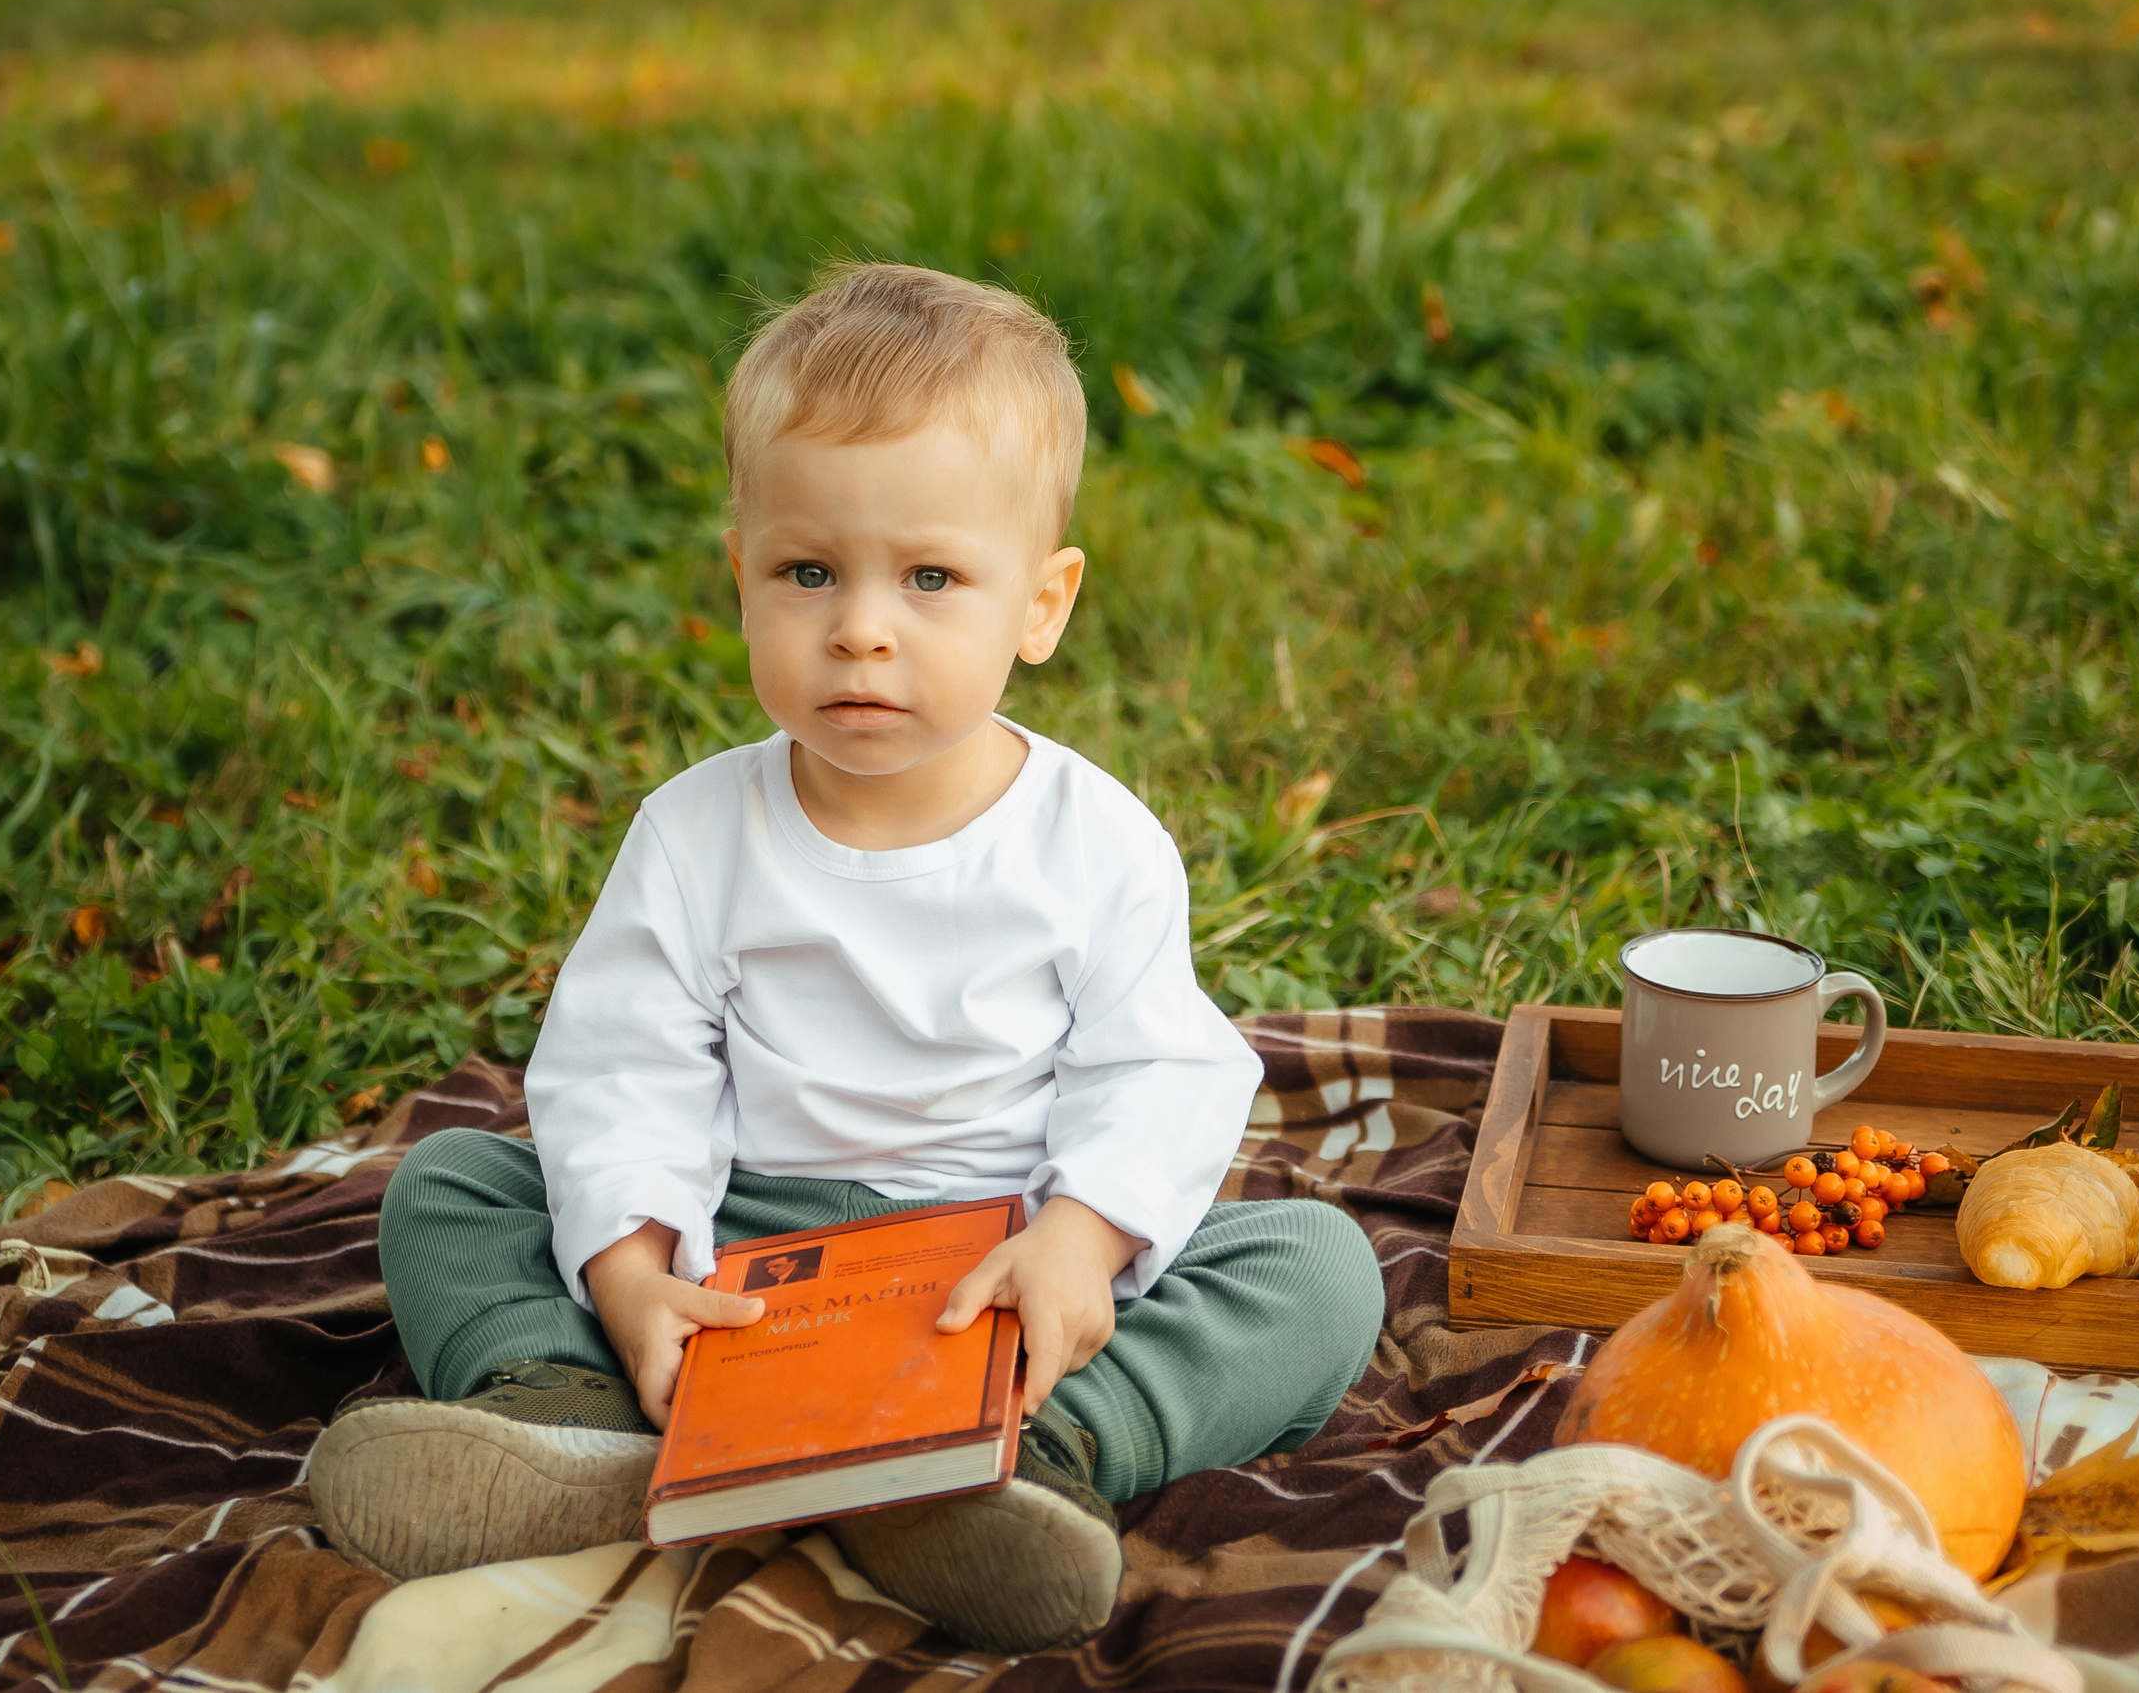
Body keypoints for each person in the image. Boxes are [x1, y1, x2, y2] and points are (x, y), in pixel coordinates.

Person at [307, 263, 1386, 1654]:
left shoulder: (1094, 841)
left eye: (931, 578)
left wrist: (1079, 1243)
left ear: (1042, 605)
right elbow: (624, 1066)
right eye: (807, 572)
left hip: (990, 1274)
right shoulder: (698, 833)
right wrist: (635, 1271)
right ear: (741, 577)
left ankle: (1033, 1455)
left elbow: (1158, 1071)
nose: (861, 627)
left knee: (1316, 1265)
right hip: (745, 1256)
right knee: (453, 1186)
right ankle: (573, 1416)